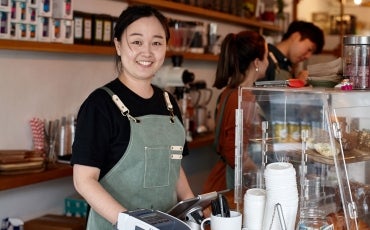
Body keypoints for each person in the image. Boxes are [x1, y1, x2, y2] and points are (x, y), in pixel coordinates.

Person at [71, 5, 194, 229]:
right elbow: (83, 181)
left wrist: (193, 209)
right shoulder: (100, 105)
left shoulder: (169, 102)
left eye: (156, 43)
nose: (147, 52)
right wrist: (132, 224)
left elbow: (173, 166)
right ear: (118, 45)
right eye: (136, 42)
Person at [202, 30, 269, 193]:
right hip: (231, 185)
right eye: (266, 57)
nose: (268, 62)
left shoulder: (230, 92)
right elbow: (235, 153)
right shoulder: (244, 98)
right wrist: (264, 174)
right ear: (256, 62)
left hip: (221, 179)